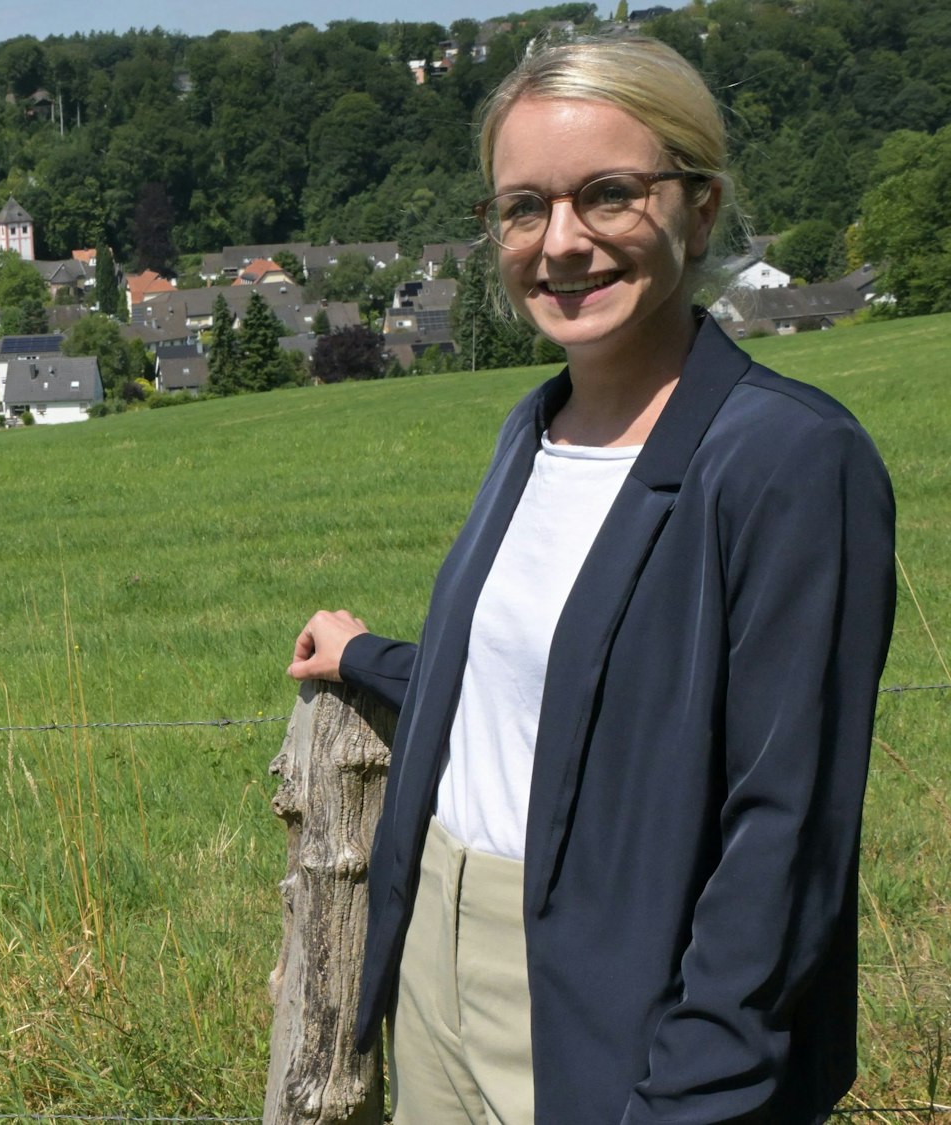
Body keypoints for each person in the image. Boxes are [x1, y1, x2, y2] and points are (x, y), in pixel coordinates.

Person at [288, 34, 896, 1125]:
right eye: (522, 207)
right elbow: (555, 680)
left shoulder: (786, 460)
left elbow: (784, 835)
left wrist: (697, 1091)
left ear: (697, 207)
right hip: (434, 955)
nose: (558, 242)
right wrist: (366, 659)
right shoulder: (534, 430)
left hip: (612, 995)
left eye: (606, 194)